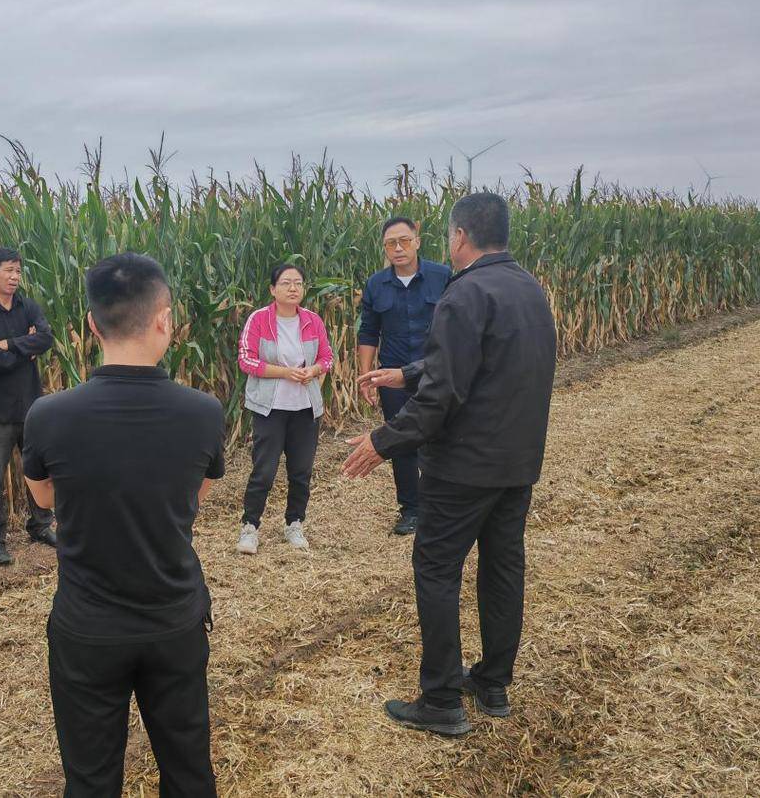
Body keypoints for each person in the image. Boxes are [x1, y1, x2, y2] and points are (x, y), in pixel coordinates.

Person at [342, 192, 557, 737]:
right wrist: (405, 373)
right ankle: (493, 683)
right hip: (517, 463)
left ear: (459, 236)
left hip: (463, 467)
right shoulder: (528, 289)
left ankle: (440, 699)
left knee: (436, 568)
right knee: (503, 567)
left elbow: (442, 397)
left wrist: (384, 440)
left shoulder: (464, 292)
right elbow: (481, 361)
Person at [22, 253, 224, 797]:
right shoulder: (203, 412)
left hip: (88, 628)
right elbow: (193, 499)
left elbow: (45, 498)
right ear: (165, 319)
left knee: (90, 779)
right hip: (174, 620)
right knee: (189, 773)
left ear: (91, 325)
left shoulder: (48, 415)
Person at [356, 217, 451, 536]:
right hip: (392, 376)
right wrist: (367, 376)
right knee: (401, 441)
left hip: (436, 372)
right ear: (384, 248)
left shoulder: (442, 276)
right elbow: (369, 332)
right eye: (390, 243)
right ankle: (411, 510)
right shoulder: (376, 285)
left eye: (404, 241)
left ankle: (440, 504)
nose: (398, 248)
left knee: (442, 437)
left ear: (417, 242)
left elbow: (457, 324)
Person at [0, 246, 57, 566]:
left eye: (18, 271)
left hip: (30, 405)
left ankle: (41, 525)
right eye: (9, 270)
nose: (15, 277)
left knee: (38, 471)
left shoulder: (27, 307)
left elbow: (46, 338)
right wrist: (25, 352)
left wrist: (10, 344)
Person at [235, 263, 334, 554]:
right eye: (286, 283)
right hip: (270, 408)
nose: (293, 288)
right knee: (264, 471)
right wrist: (284, 372)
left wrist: (313, 369)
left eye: (298, 283)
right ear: (272, 289)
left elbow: (327, 357)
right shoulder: (259, 319)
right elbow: (246, 360)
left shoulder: (312, 320)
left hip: (305, 408)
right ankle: (250, 527)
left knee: (301, 471)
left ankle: (294, 523)